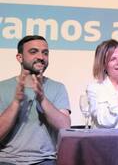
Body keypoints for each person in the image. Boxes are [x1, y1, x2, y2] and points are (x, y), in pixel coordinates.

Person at [0, 35, 71, 164]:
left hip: (46, 160)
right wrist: (16, 102)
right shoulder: (2, 88)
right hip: (7, 160)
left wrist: (42, 99)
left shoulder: (58, 88)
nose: (41, 57)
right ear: (19, 57)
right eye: (33, 52)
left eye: (45, 53)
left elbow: (65, 127)